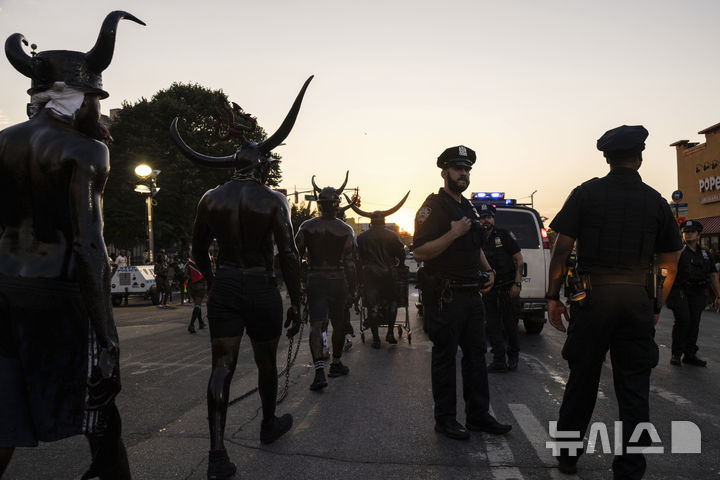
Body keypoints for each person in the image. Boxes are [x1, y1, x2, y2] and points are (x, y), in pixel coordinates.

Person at [0, 11, 144, 479]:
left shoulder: (2, 143)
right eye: (97, 101)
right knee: (99, 411)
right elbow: (89, 245)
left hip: (3, 291)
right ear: (80, 100)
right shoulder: (87, 151)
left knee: (3, 416)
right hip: (58, 296)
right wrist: (108, 338)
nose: (99, 111)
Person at [171, 76, 310, 479]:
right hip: (261, 286)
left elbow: (197, 249)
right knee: (266, 363)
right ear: (261, 165)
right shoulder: (273, 200)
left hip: (227, 284)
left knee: (222, 367)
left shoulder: (210, 199)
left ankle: (217, 454)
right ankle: (268, 424)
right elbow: (288, 253)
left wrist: (214, 284)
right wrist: (298, 300)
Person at [546, 125, 682, 478]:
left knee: (582, 381)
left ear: (606, 158)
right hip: (637, 299)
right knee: (634, 388)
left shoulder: (585, 194)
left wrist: (552, 298)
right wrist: (655, 305)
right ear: (640, 157)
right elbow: (670, 260)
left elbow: (561, 248)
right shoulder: (655, 201)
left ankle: (567, 456)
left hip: (592, 300)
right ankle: (630, 467)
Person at [412, 145, 511, 440]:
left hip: (472, 295)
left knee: (477, 356)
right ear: (444, 172)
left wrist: (490, 270)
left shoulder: (467, 207)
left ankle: (478, 415)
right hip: (446, 295)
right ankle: (445, 419)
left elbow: (476, 246)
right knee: (444, 357)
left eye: (467, 170)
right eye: (458, 169)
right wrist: (452, 233)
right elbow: (420, 252)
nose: (463, 174)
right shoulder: (432, 207)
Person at [295, 172, 357, 390]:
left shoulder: (306, 227)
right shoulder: (346, 229)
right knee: (339, 324)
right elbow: (350, 263)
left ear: (319, 204)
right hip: (338, 281)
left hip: (315, 280)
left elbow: (296, 258)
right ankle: (336, 364)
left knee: (316, 324)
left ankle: (319, 370)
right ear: (337, 205)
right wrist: (353, 290)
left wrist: (301, 285)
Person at [350, 192, 409, 348]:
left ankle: (376, 339)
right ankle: (390, 333)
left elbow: (358, 258)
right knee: (393, 302)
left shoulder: (362, 238)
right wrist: (400, 264)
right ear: (384, 221)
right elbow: (401, 253)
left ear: (371, 222)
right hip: (389, 273)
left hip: (370, 275)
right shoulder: (392, 235)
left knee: (372, 306)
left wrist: (359, 277)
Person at [666, 220, 720, 367]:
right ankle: (676, 354)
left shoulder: (706, 254)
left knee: (694, 322)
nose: (688, 234)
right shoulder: (678, 252)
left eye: (691, 232)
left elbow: (713, 275)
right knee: (683, 320)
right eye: (685, 232)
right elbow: (668, 271)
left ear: (698, 234)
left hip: (698, 293)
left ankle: (690, 354)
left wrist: (718, 296)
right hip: (680, 291)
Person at [477, 203, 523, 372]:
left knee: (510, 325)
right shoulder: (478, 239)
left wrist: (517, 283)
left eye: (488, 217)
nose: (485, 220)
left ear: (493, 219)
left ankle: (513, 356)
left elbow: (519, 259)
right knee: (492, 326)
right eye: (482, 218)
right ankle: (499, 361)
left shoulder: (503, 235)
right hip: (489, 289)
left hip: (508, 287)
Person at [185, 257, 208, 334]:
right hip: (200, 285)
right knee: (198, 304)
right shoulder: (203, 262)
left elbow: (185, 275)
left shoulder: (189, 263)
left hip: (191, 286)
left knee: (197, 304)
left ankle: (201, 322)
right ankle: (191, 324)